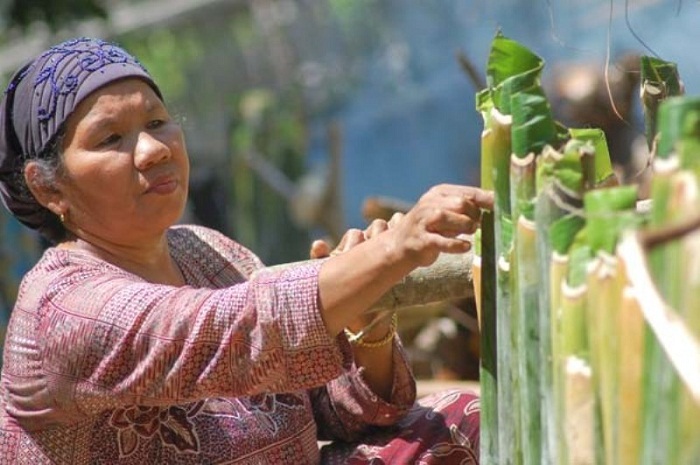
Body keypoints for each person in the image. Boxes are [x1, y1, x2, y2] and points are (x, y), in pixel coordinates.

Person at [0, 37, 492, 464]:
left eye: (158, 121)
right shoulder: (62, 310)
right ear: (48, 189)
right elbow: (237, 330)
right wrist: (392, 253)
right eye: (111, 138)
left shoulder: (210, 252)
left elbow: (351, 414)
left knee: (462, 420)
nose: (154, 149)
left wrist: (367, 322)